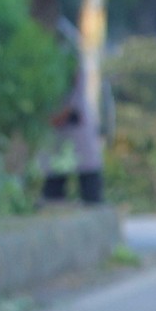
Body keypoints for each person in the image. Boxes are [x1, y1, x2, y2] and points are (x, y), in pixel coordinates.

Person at [44, 21, 109, 206]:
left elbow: (75, 88)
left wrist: (62, 114)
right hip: (58, 128)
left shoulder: (69, 49)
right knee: (55, 179)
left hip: (75, 121)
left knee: (89, 181)